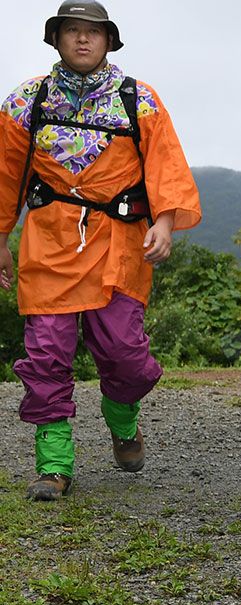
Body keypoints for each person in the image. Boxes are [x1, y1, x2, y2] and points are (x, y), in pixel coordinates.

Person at [0, 0, 201, 500]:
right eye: (72, 30)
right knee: (46, 354)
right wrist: (0, 239)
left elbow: (166, 163)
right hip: (49, 242)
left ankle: (123, 420)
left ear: (109, 40)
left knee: (124, 354)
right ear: (56, 39)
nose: (83, 38)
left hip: (119, 243)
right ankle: (54, 466)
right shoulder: (26, 101)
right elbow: (6, 175)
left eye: (93, 31)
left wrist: (165, 222)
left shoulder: (139, 100)